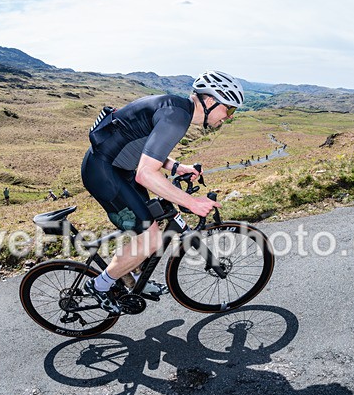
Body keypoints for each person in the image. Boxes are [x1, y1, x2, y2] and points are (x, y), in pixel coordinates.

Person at [80, 70, 241, 313]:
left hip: (118, 169)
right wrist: (192, 202)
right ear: (210, 101)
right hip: (104, 173)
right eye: (229, 109)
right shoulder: (176, 118)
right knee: (152, 237)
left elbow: (146, 147)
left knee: (149, 227)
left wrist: (176, 166)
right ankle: (99, 285)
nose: (229, 117)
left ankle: (127, 275)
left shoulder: (177, 110)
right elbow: (145, 174)